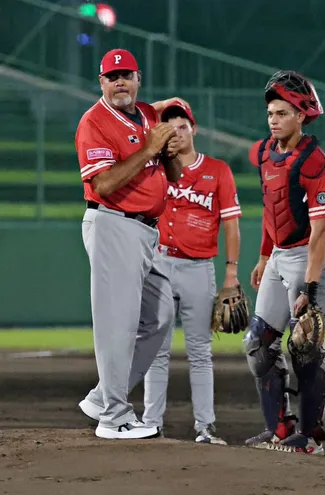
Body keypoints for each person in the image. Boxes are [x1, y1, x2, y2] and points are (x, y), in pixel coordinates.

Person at [75, 48, 190, 439]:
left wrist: (170, 153)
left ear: (138, 78)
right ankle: (114, 417)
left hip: (145, 231)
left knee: (158, 316)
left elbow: (171, 174)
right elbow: (103, 184)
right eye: (112, 76)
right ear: (102, 82)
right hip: (113, 224)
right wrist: (148, 150)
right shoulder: (94, 122)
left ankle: (100, 397)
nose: (120, 82)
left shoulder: (148, 116)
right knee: (117, 325)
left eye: (126, 74)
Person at [241, 70, 325, 455]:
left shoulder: (315, 162)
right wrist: (265, 257)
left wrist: (310, 290)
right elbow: (271, 209)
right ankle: (280, 428)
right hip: (280, 256)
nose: (273, 119)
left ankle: (311, 438)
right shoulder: (264, 152)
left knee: (305, 345)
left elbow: (320, 231)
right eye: (270, 113)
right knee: (258, 343)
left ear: (302, 115)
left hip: (309, 256)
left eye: (282, 112)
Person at [138, 102, 242, 445]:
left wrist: (231, 274)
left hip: (199, 268)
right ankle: (152, 423)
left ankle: (205, 427)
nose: (177, 133)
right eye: (169, 127)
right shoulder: (154, 168)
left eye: (182, 126)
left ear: (193, 129)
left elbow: (231, 225)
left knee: (200, 351)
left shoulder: (217, 171)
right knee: (157, 351)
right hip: (160, 265)